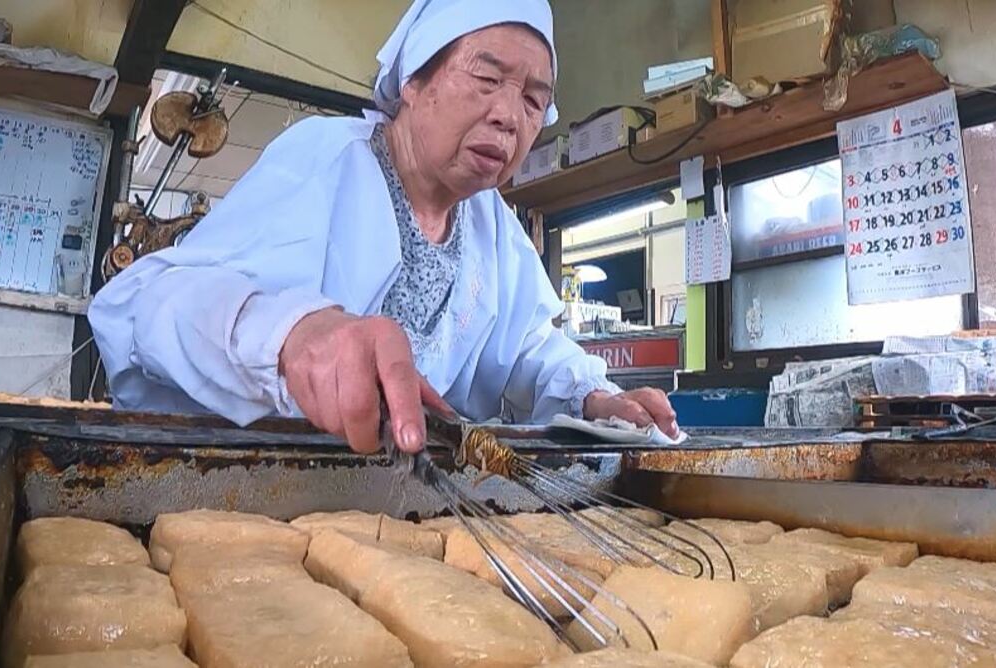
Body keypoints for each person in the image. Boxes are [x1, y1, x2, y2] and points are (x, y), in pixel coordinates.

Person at [88, 0, 678, 455]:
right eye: (487, 78)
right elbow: (152, 300)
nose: (508, 115)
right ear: (415, 83)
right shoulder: (325, 159)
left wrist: (594, 396)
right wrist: (292, 335)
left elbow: (528, 348)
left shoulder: (493, 225)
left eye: (532, 99)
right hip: (242, 486)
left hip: (403, 505)